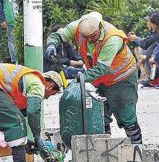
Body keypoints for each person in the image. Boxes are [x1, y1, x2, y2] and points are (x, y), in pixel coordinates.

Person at [45, 11, 142, 144]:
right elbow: (58, 35)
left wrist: (80, 79)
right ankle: (103, 149)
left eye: (92, 36)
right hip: (99, 79)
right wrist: (51, 44)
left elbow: (102, 68)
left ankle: (138, 149)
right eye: (86, 36)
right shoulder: (78, 27)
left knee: (126, 116)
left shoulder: (112, 38)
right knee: (99, 114)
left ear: (100, 27)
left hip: (121, 79)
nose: (89, 39)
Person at [0, 63, 63, 162]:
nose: (48, 97)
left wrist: (23, 142)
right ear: (50, 86)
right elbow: (33, 111)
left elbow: (8, 116)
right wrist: (37, 137)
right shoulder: (37, 83)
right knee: (17, 122)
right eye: (52, 94)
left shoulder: (22, 86)